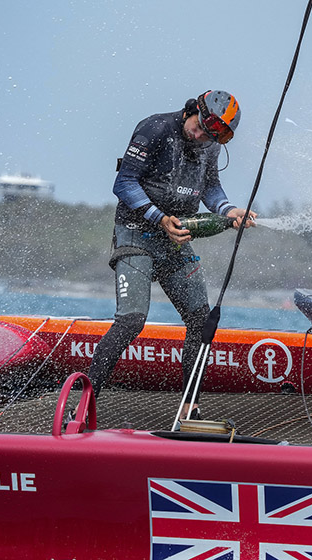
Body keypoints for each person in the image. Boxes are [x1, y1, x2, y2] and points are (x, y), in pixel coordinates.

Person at [87, 90, 255, 422]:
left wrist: (229, 209)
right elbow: (124, 183)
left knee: (202, 321)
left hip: (175, 242)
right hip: (136, 233)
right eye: (200, 128)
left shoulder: (210, 145)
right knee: (132, 321)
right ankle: (85, 400)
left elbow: (210, 189)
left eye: (211, 135)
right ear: (193, 110)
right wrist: (159, 218)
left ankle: (189, 409)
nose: (202, 137)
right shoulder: (156, 129)